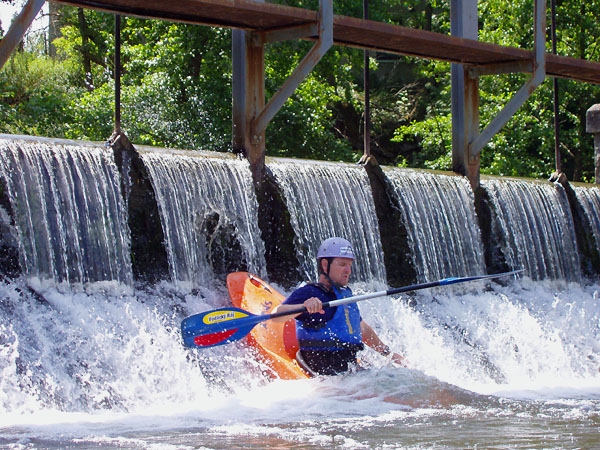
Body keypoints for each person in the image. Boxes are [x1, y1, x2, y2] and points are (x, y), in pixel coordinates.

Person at [272, 237, 405, 376]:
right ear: (325, 265)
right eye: (342, 264)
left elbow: (361, 328)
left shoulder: (344, 295)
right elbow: (276, 315)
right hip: (325, 376)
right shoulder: (310, 292)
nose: (348, 270)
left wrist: (389, 354)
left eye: (350, 265)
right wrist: (303, 306)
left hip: (349, 371)